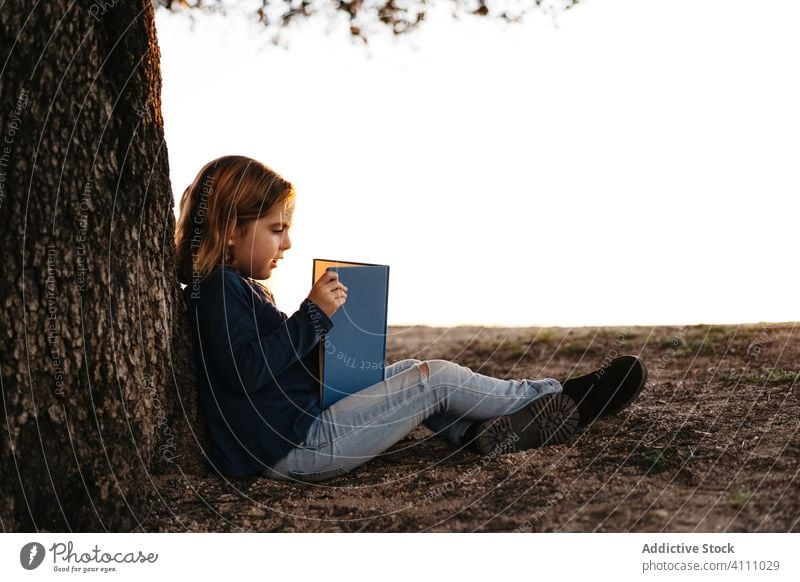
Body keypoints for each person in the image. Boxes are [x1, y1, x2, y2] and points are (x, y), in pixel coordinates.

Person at [175, 155, 648, 483]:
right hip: (294, 448)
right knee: (433, 378)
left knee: (411, 369)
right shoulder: (216, 290)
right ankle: (561, 396)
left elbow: (269, 370)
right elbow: (246, 374)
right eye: (277, 230)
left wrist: (336, 352)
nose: (288, 245)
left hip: (298, 433)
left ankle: (476, 433)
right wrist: (312, 317)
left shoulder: (235, 289)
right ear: (231, 229)